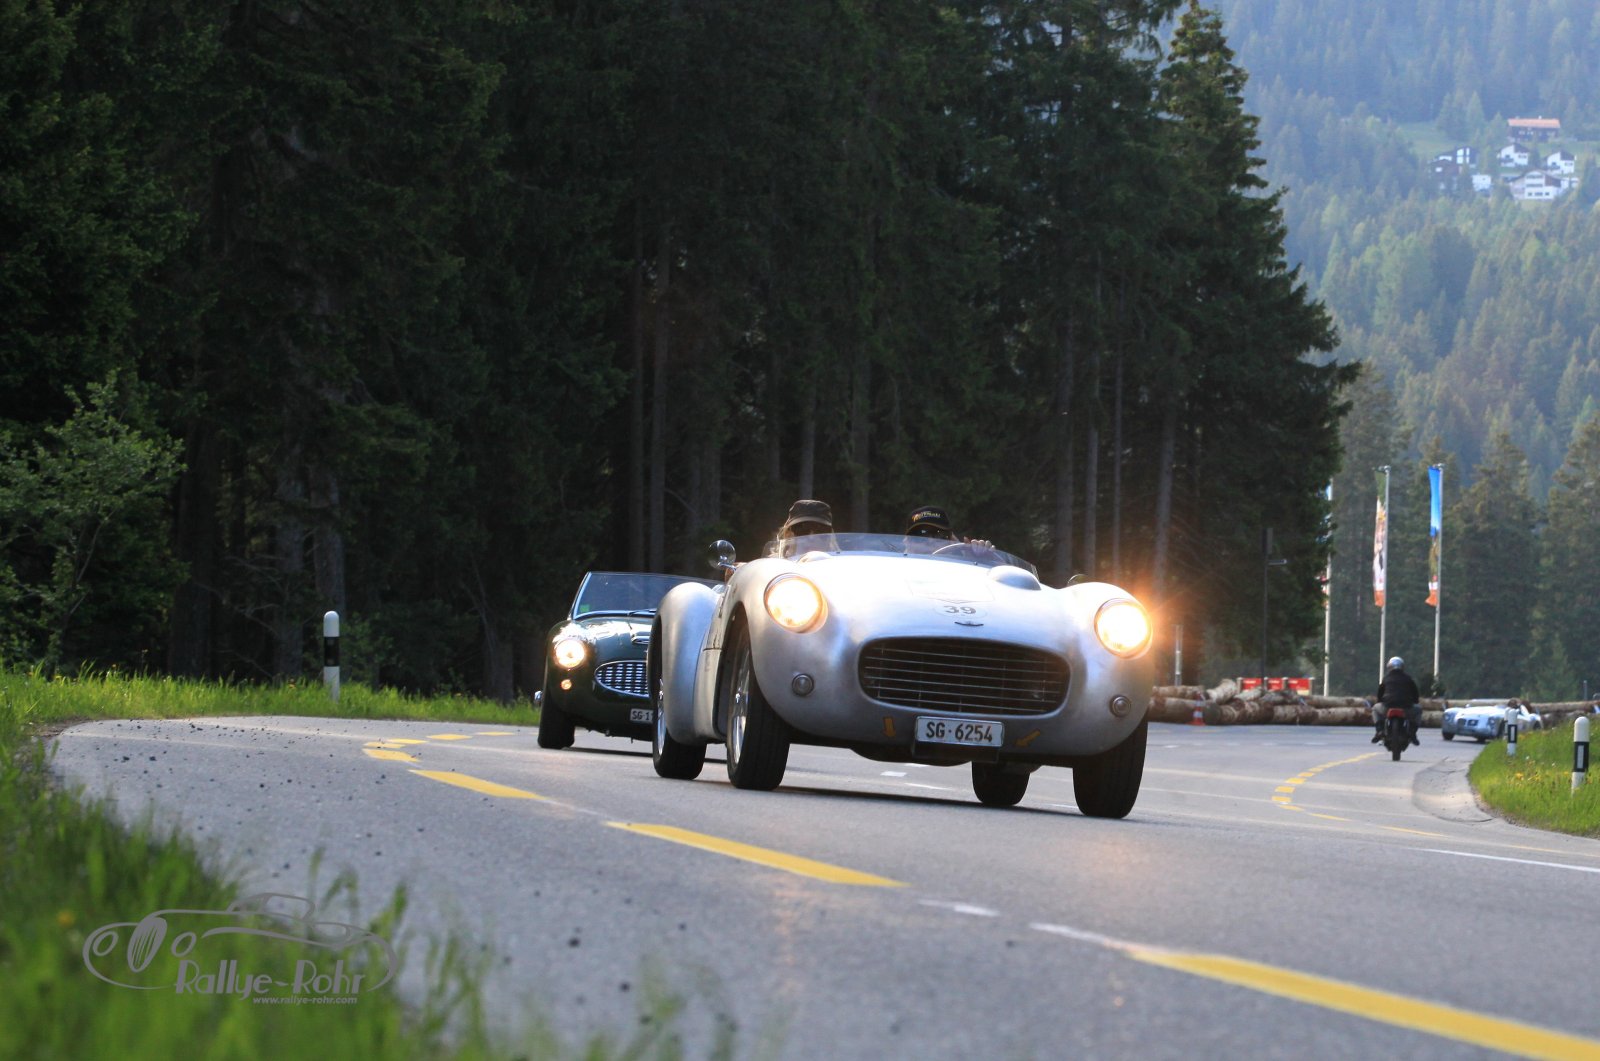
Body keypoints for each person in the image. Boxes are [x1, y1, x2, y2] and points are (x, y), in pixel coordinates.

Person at [1371, 656, 1421, 745]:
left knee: (1375, 708)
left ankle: (1379, 730)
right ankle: (1412, 732)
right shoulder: (1408, 678)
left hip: (1387, 706)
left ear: (1389, 667)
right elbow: (1415, 693)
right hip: (1406, 708)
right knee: (1418, 710)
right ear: (1402, 667)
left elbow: (1380, 694)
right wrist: (1415, 701)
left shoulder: (1386, 678)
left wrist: (1379, 701)